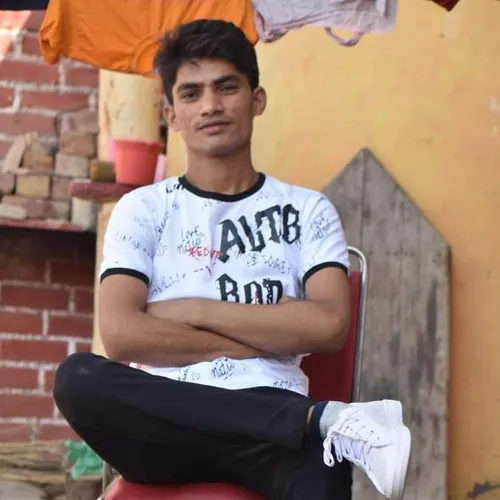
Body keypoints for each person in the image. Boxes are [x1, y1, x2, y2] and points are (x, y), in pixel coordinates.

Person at [53, 19, 411, 500]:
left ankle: (310, 423)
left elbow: (328, 327)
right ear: (171, 113)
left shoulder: (308, 210)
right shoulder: (143, 209)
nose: (211, 106)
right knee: (78, 379)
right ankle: (319, 419)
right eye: (191, 93)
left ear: (256, 100)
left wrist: (192, 310)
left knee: (325, 471)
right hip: (167, 425)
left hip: (271, 435)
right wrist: (267, 333)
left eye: (226, 88)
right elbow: (120, 336)